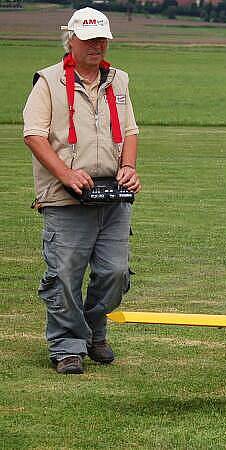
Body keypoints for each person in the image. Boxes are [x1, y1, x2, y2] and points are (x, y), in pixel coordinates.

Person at [23, 7, 141, 374]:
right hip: (64, 197)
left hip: (112, 194)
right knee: (66, 274)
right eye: (89, 39)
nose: (97, 46)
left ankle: (91, 330)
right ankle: (67, 347)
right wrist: (65, 174)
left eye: (102, 39)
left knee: (115, 272)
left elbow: (131, 131)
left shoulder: (118, 80)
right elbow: (33, 135)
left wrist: (130, 167)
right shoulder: (48, 81)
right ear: (70, 40)